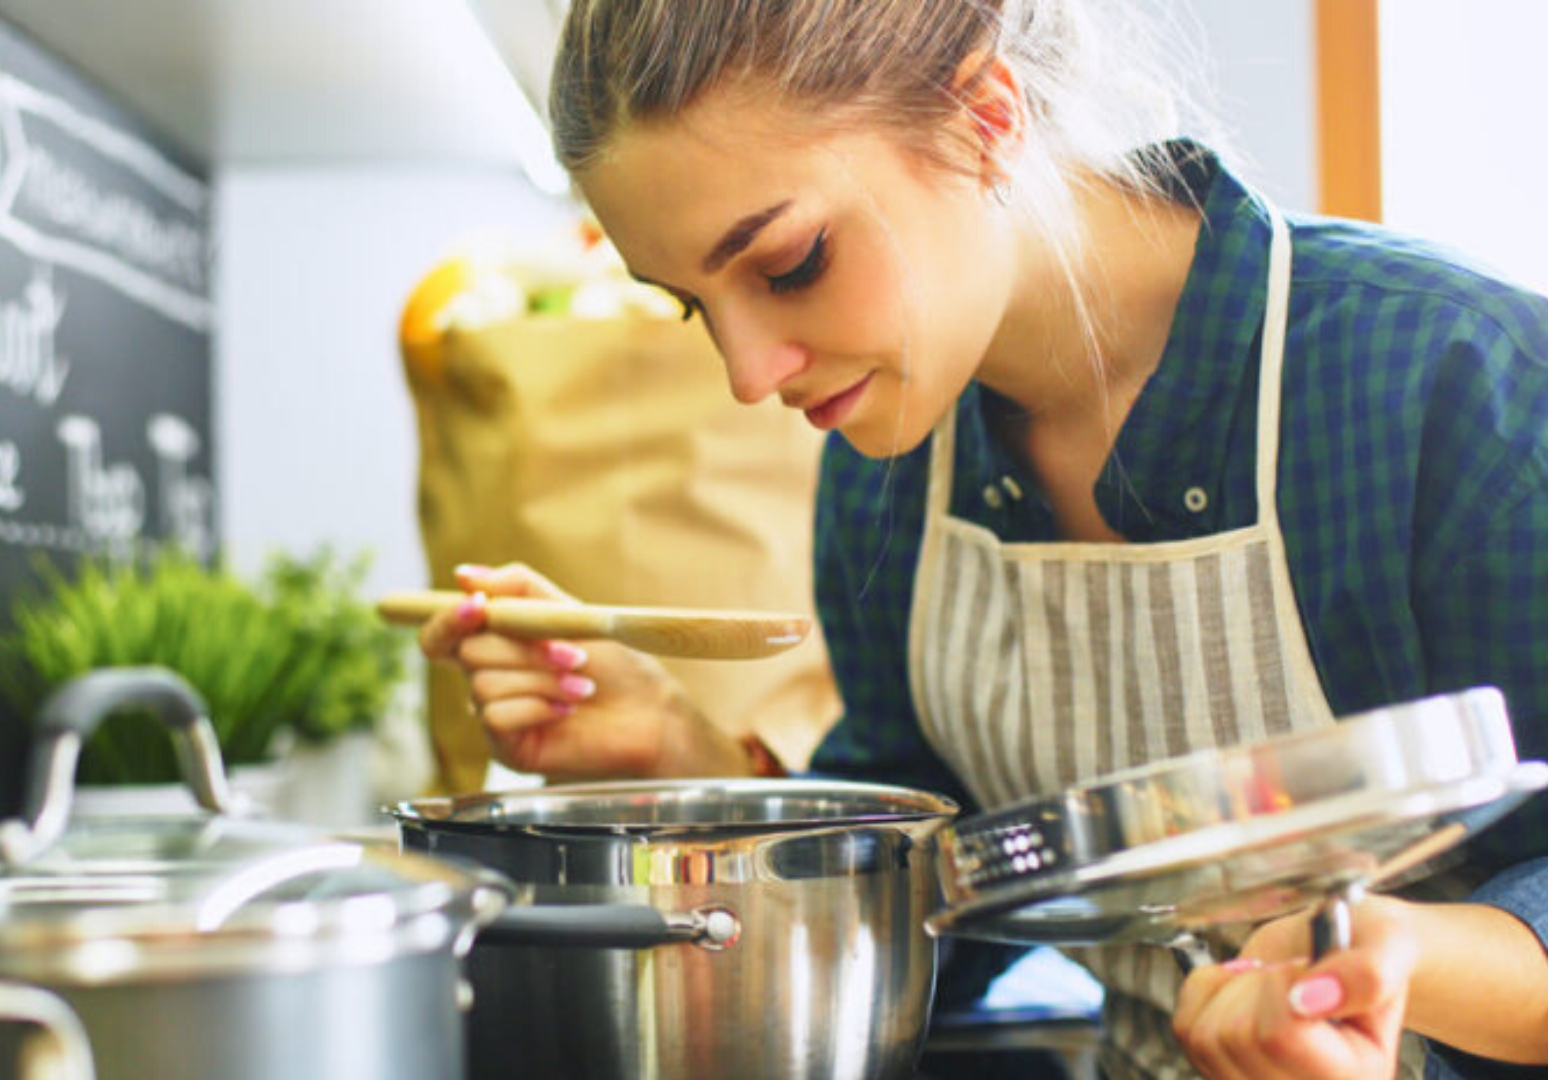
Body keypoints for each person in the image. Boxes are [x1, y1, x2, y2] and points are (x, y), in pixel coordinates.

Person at [413, 2, 1548, 1077]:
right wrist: (674, 756)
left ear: (984, 119)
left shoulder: (1452, 381)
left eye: (791, 263)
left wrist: (1392, 965)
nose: (750, 374)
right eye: (693, 305)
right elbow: (938, 928)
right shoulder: (893, 476)